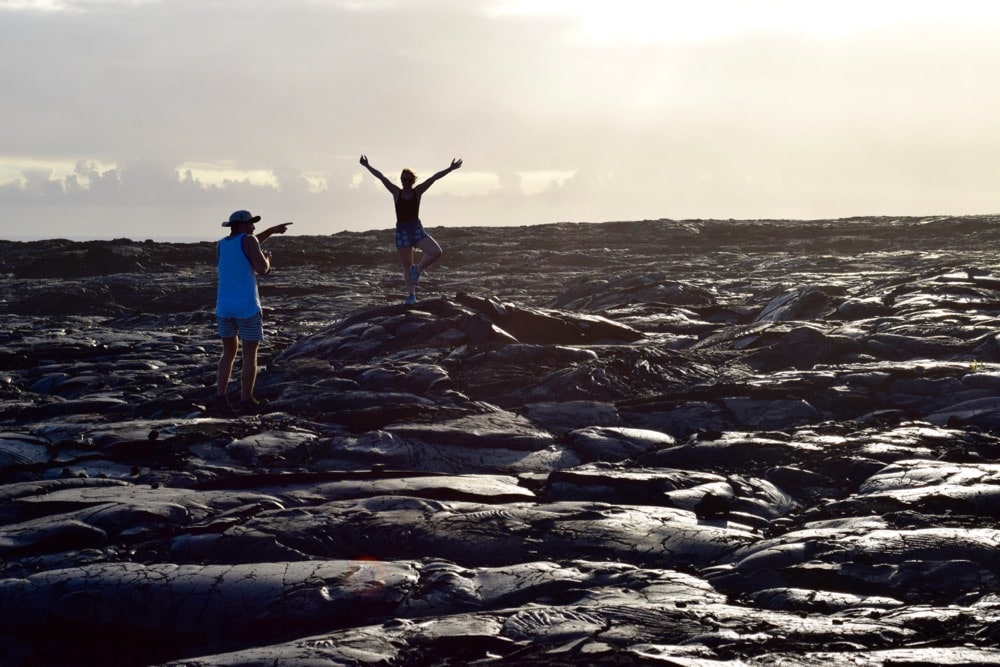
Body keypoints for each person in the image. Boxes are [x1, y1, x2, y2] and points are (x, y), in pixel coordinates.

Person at [214, 209, 292, 413]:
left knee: (228, 353)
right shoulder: (249, 240)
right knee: (249, 354)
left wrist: (271, 231)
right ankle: (246, 399)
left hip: (224, 308)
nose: (254, 227)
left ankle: (220, 398)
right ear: (242, 225)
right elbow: (261, 269)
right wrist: (268, 259)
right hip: (247, 308)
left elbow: (246, 245)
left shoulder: (222, 244)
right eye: (251, 223)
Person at [359, 155, 462, 304]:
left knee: (436, 252)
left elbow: (433, 178)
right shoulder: (396, 192)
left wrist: (450, 169)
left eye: (408, 180)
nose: (406, 182)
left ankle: (418, 269)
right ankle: (411, 295)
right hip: (402, 232)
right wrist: (367, 166)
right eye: (403, 180)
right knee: (407, 266)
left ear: (413, 181)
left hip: (416, 229)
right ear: (401, 180)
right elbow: (381, 177)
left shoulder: (417, 192)